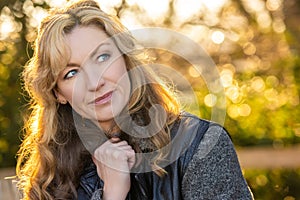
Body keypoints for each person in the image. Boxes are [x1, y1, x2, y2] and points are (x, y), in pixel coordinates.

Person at [16, 0, 254, 199]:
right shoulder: (49, 178)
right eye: (72, 73)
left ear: (126, 60)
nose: (94, 82)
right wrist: (113, 193)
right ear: (58, 94)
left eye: (102, 57)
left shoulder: (199, 146)